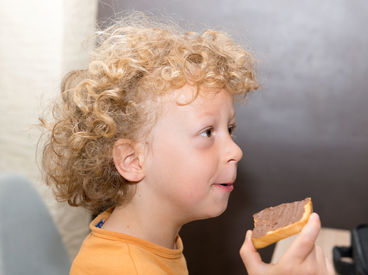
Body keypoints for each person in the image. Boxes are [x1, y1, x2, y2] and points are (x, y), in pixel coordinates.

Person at [40, 12, 334, 275]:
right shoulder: (123, 268)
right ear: (132, 160)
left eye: (230, 129)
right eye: (208, 132)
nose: (235, 151)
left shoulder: (148, 239)